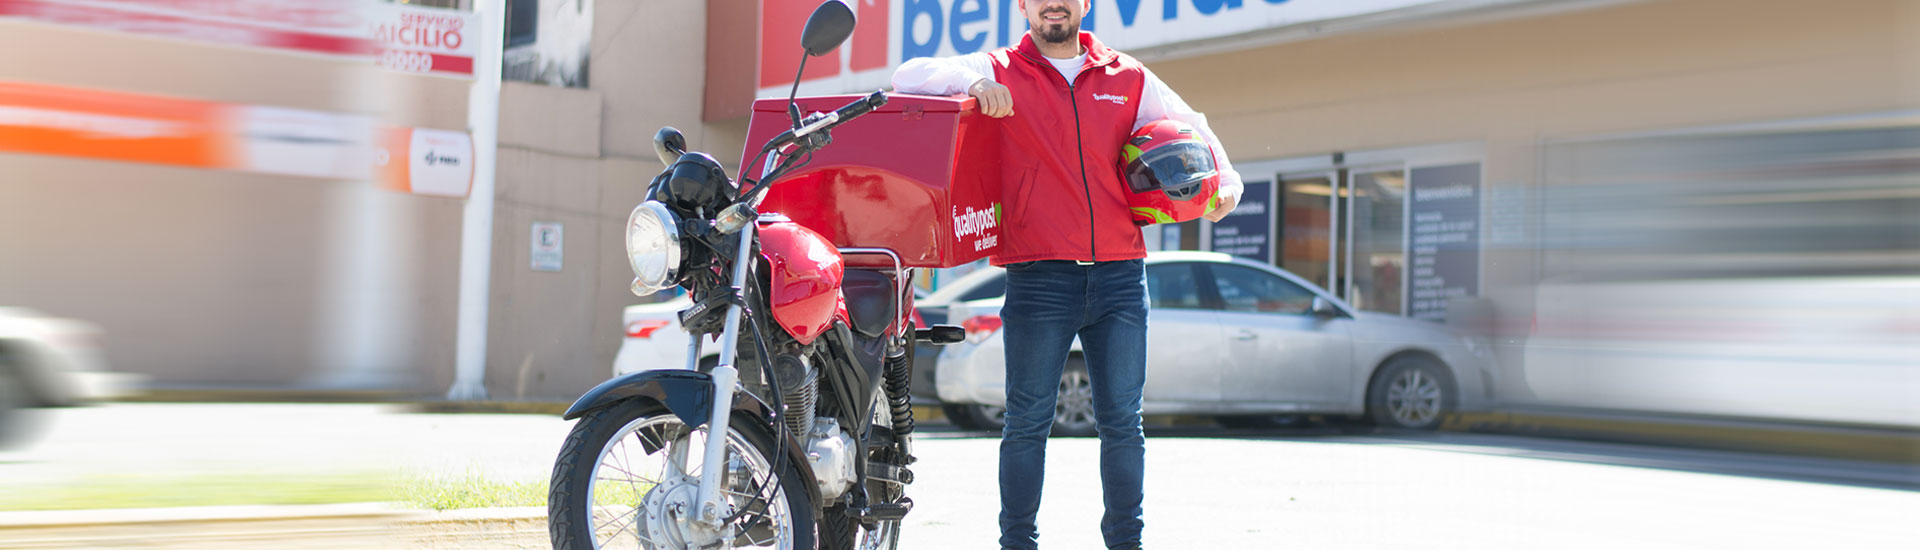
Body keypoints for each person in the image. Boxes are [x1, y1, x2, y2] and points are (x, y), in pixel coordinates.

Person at [891, 1, 1243, 548]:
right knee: (1027, 423)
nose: (1053, 4)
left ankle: (1127, 541)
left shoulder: (1125, 75)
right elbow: (907, 74)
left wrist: (1226, 182)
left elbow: (1191, 125)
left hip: (1121, 276)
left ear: (1083, 4)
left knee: (1124, 423)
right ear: (1025, 7)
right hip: (1039, 277)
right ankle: (1018, 542)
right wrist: (974, 82)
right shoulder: (1000, 67)